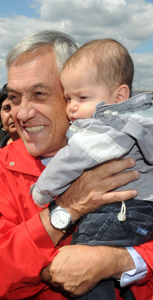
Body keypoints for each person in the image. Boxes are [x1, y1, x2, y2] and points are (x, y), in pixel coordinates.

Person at [0, 30, 152, 300]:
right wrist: (65, 209)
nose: (22, 113)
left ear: (71, 93)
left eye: (39, 94)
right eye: (14, 98)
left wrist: (121, 261)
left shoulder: (136, 148)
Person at [30, 38, 153, 299]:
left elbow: (69, 162)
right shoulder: (140, 122)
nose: (72, 106)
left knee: (85, 260)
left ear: (118, 97)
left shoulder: (105, 128)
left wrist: (41, 191)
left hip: (119, 212)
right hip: (143, 212)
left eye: (82, 97)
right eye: (67, 98)